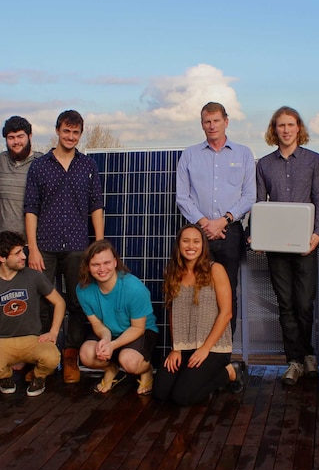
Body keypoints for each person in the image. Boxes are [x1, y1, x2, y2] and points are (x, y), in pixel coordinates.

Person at [24, 110, 104, 384]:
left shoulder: (88, 166)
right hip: (44, 246)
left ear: (80, 134)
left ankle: (70, 356)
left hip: (78, 246)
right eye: (66, 131)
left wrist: (99, 244)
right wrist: (32, 247)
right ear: (57, 130)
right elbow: (31, 208)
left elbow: (96, 205)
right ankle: (44, 358)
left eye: (75, 132)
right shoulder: (39, 166)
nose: (70, 137)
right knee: (43, 304)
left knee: (77, 302)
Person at [255, 106, 319, 386]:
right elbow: (260, 204)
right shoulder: (264, 164)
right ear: (274, 130)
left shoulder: (314, 161)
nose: (285, 130)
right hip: (275, 247)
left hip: (305, 245)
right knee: (285, 305)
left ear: (299, 128)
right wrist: (256, 235)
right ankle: (294, 361)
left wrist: (318, 234)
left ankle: (309, 355)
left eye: (290, 124)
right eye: (280, 125)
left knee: (304, 304)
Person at [176, 102, 256, 336]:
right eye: (207, 121)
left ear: (226, 121)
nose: (212, 126)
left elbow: (250, 195)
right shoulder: (189, 155)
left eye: (216, 121)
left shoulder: (243, 153)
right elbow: (182, 197)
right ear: (202, 124)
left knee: (228, 292)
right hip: (196, 234)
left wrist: (224, 220)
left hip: (229, 232)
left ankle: (224, 351)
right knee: (195, 291)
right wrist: (204, 223)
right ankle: (197, 347)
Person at [153, 225, 246, 405]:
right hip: (185, 345)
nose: (191, 246)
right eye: (185, 241)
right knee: (160, 392)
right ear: (178, 245)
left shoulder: (215, 269)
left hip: (212, 347)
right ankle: (195, 377)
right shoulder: (172, 272)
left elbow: (226, 314)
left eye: (196, 241)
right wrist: (176, 348)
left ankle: (229, 372)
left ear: (203, 246)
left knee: (181, 397)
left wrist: (205, 349)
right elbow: (173, 313)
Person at [0, 231, 66, 397]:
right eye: (17, 253)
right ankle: (6, 377)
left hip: (32, 339)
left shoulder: (34, 276)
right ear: (2, 258)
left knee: (53, 357)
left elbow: (59, 302)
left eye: (22, 251)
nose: (24, 256)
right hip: (3, 341)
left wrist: (53, 332)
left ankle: (39, 377)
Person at [76, 240, 159, 395]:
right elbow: (97, 323)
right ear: (87, 266)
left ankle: (147, 369)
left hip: (140, 330)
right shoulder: (83, 289)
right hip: (109, 330)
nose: (102, 269)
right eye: (95, 264)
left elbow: (138, 328)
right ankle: (111, 368)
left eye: (106, 262)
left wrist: (112, 346)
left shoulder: (134, 289)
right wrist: (106, 340)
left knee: (129, 361)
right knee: (86, 354)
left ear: (115, 262)